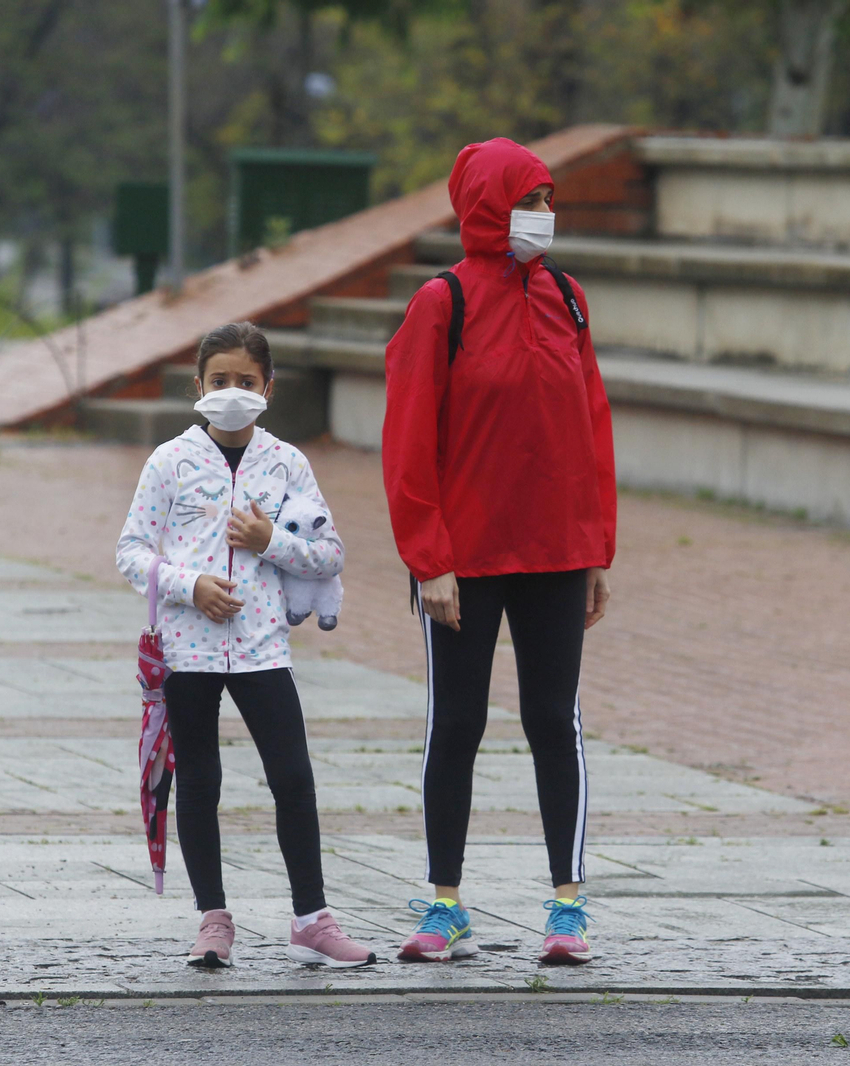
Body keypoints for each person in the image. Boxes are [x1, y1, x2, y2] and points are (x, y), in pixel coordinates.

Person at [381, 138, 617, 965]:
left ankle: (568, 906)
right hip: (464, 562)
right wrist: (428, 556)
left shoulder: (569, 299)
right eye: (534, 200)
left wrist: (597, 550)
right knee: (458, 723)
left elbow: (591, 428)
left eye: (550, 201)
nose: (548, 216)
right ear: (490, 204)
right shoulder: (440, 304)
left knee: (556, 722)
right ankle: (445, 903)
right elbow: (408, 440)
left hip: (556, 551)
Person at [116, 322, 376, 970]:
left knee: (293, 777)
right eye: (221, 381)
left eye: (247, 382)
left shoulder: (286, 463)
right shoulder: (170, 461)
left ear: (269, 387)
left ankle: (312, 918)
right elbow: (131, 552)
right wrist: (189, 585)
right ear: (198, 386)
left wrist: (270, 543)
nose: (234, 392)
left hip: (263, 648)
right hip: (187, 651)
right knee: (198, 780)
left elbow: (329, 553)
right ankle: (213, 920)